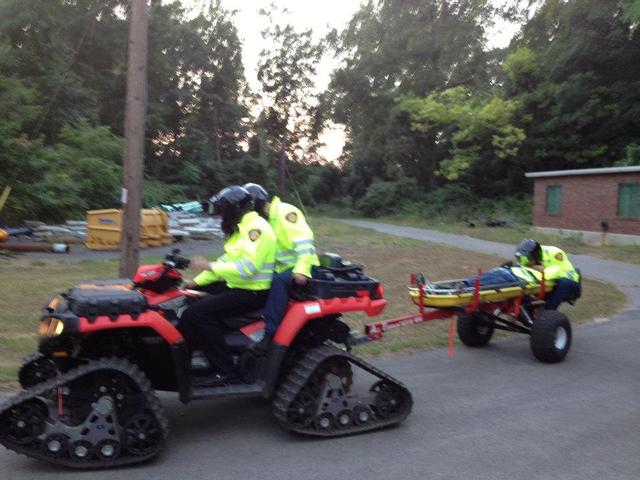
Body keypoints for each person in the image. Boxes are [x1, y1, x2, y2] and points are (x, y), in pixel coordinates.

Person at [181, 186, 276, 386]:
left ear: (234, 210)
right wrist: (194, 282)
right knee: (186, 298)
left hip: (254, 291)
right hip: (239, 286)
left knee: (197, 314)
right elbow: (225, 263)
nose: (220, 218)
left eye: (223, 212)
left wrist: (210, 265)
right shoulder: (241, 230)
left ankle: (226, 372)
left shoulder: (256, 230)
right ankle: (185, 361)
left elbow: (248, 268)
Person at [243, 183, 320, 351]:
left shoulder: (285, 213)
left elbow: (304, 241)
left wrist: (302, 269)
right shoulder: (268, 220)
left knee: (278, 282)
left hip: (303, 267)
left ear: (255, 204)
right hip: (284, 268)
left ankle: (271, 335)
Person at [514, 239, 580, 310]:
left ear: (535, 255)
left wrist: (534, 268)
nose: (525, 261)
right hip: (550, 282)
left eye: (526, 258)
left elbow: (550, 275)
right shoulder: (530, 256)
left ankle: (549, 311)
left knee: (562, 283)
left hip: (570, 281)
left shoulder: (555, 253)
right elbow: (522, 267)